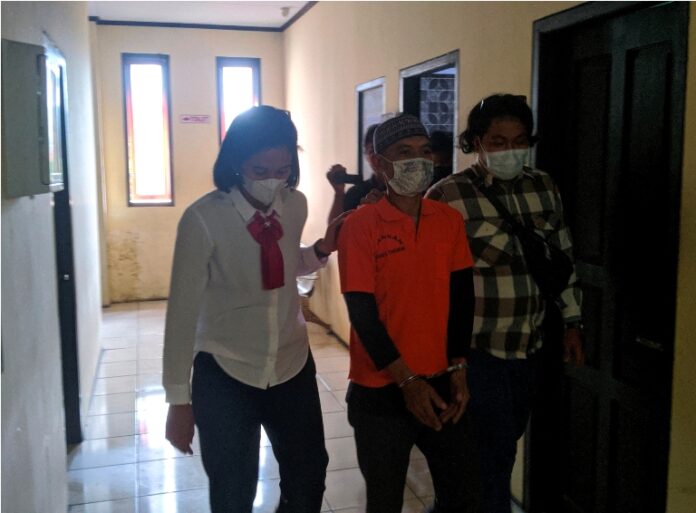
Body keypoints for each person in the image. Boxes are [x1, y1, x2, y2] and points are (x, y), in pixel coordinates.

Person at [163, 106, 346, 513]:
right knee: (233, 489)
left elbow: (283, 264)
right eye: (260, 169)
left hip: (291, 362)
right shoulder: (203, 219)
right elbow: (181, 315)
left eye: (282, 169)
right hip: (227, 368)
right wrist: (178, 401)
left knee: (308, 476)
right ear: (236, 162)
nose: (272, 180)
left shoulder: (294, 205)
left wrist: (319, 250)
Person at [426, 94, 584, 513]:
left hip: (531, 345)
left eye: (519, 141)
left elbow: (563, 259)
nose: (509, 151)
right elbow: (428, 281)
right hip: (477, 349)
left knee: (503, 447)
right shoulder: (447, 195)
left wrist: (573, 322)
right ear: (476, 142)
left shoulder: (544, 186)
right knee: (488, 457)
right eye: (498, 141)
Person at [337, 114, 481, 513]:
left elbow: (462, 298)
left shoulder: (447, 220)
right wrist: (408, 382)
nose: (417, 161)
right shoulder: (361, 225)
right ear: (379, 162)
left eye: (424, 151)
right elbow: (362, 312)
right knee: (385, 501)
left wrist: (459, 367)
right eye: (404, 152)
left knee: (464, 496)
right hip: (381, 390)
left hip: (441, 383)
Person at [325, 124, 386, 222]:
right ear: (366, 155)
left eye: (383, 150)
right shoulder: (356, 192)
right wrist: (339, 193)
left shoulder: (406, 189)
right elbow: (335, 227)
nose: (378, 157)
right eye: (372, 151)